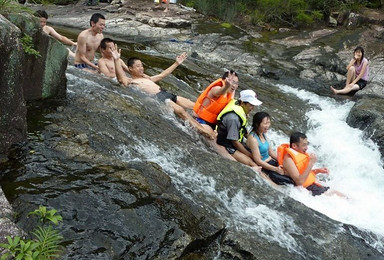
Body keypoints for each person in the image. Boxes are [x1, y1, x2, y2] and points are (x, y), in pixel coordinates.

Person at [109, 44, 216, 139]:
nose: (141, 68)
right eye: (138, 66)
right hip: (159, 98)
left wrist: (176, 63)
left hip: (167, 93)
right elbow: (120, 79)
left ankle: (216, 123)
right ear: (130, 69)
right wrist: (116, 60)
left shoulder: (147, 78)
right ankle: (204, 131)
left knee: (196, 106)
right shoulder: (131, 81)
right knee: (181, 111)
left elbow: (162, 75)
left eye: (141, 65)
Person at [277, 132, 345, 197]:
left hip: (313, 185)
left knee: (342, 195)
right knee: (336, 195)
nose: (306, 147)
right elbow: (299, 182)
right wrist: (311, 163)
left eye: (307, 144)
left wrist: (318, 171)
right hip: (308, 189)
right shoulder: (289, 160)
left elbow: (305, 172)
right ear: (294, 146)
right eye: (304, 145)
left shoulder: (300, 153)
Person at [216, 89, 263, 170]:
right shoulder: (233, 118)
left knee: (257, 151)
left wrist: (254, 140)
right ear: (242, 103)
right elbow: (234, 142)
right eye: (251, 105)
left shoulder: (241, 109)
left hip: (235, 140)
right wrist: (249, 155)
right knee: (253, 163)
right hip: (227, 144)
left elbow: (243, 129)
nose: (253, 108)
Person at [247, 112, 294, 185]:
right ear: (257, 124)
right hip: (266, 167)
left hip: (272, 162)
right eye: (265, 123)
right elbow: (258, 161)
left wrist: (283, 161)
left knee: (293, 174)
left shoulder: (263, 134)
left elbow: (271, 152)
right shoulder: (253, 139)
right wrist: (275, 169)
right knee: (289, 182)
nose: (268, 126)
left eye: (268, 123)